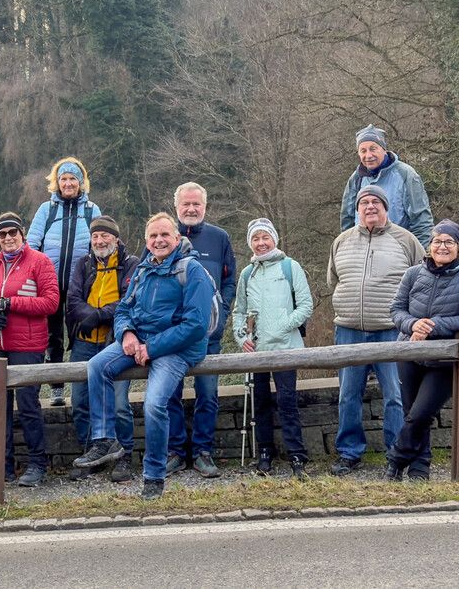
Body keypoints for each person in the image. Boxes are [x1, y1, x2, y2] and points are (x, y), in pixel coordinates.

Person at [74, 213, 216, 501]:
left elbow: (196, 325)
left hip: (176, 349)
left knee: (153, 404)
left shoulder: (192, 270)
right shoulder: (142, 270)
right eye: (153, 236)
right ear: (146, 242)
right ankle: (105, 440)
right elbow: (124, 309)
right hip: (139, 340)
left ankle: (153, 475)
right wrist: (126, 334)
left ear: (177, 238)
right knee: (97, 366)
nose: (159, 240)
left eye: (165, 235)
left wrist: (152, 348)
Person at [328, 184, 424, 476]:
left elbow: (422, 284)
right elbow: (333, 281)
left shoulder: (406, 241)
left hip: (391, 330)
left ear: (386, 208)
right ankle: (349, 453)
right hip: (348, 329)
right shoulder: (341, 241)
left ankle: (396, 453)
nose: (370, 207)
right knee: (348, 394)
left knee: (395, 395)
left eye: (376, 202)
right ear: (357, 210)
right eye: (364, 203)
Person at [387, 220, 459, 481]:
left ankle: (396, 458)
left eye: (449, 242)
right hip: (409, 351)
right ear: (430, 246)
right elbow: (396, 310)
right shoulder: (413, 274)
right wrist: (413, 325)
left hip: (445, 357)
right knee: (412, 414)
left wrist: (431, 327)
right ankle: (420, 468)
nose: (442, 246)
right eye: (437, 241)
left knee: (421, 414)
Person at [0, 212, 59, 487]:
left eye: (13, 232)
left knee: (28, 405)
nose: (8, 238)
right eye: (2, 234)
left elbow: (50, 303)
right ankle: (3, 465)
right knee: (0, 407)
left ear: (22, 234)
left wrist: (12, 304)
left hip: (28, 345)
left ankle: (37, 463)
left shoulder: (39, 262)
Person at [231, 218, 313, 478]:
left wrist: (283, 325)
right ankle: (264, 453)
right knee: (260, 403)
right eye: (255, 239)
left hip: (287, 347)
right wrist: (240, 335)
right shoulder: (247, 273)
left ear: (274, 239)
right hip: (257, 351)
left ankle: (296, 455)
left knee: (288, 402)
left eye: (265, 237)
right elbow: (239, 311)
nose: (261, 243)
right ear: (250, 244)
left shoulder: (290, 267)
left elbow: (305, 306)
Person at [169, 182, 236, 478]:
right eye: (186, 205)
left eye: (196, 204)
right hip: (172, 338)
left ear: (205, 207)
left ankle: (202, 453)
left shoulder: (219, 238)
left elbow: (230, 280)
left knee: (207, 395)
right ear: (177, 208)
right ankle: (174, 452)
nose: (191, 209)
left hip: (209, 339)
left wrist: (222, 315)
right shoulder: (164, 237)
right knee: (170, 395)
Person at [65, 215, 139, 482]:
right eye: (95, 236)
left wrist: (98, 315)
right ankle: (92, 454)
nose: (99, 240)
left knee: (119, 403)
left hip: (115, 341)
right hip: (84, 341)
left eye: (105, 236)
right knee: (80, 402)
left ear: (116, 239)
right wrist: (91, 315)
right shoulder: (83, 264)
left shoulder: (130, 265)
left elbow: (129, 302)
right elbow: (72, 299)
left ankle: (125, 456)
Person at [27, 157, 102, 408]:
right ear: (56, 183)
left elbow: (100, 245)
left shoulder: (92, 210)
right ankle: (56, 388)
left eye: (73, 179)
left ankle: (82, 387)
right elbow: (32, 245)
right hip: (48, 287)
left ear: (81, 183)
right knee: (52, 338)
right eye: (63, 179)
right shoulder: (46, 210)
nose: (68, 183)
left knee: (80, 336)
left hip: (81, 288)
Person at [340, 124, 433, 247]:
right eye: (363, 151)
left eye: (373, 149)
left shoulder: (406, 175)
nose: (368, 155)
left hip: (398, 253)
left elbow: (422, 222)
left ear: (384, 149)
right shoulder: (356, 179)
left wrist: (418, 258)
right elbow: (347, 221)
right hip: (363, 252)